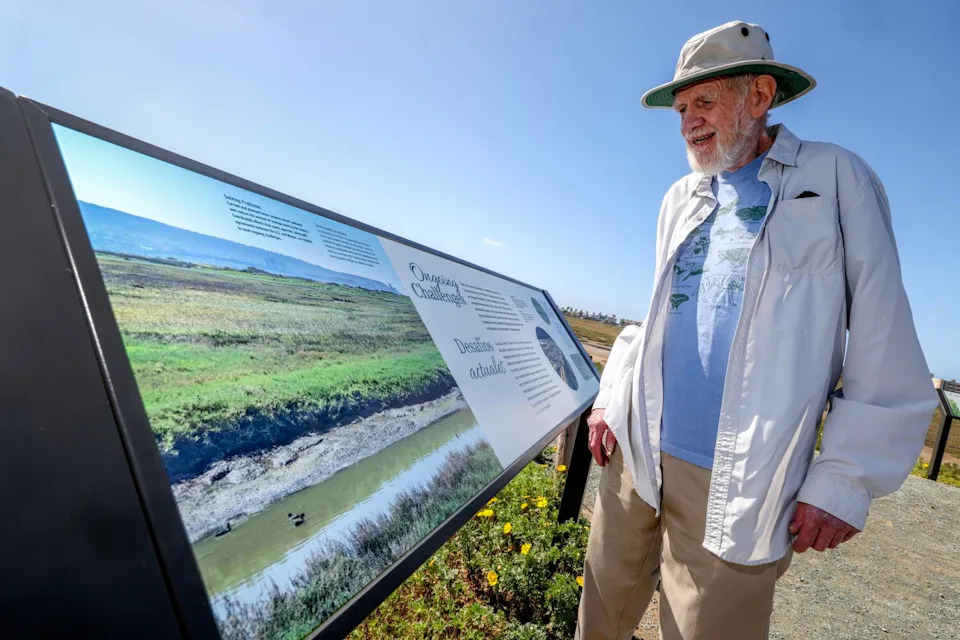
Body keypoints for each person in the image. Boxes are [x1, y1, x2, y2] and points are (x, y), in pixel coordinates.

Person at [575, 20, 937, 640]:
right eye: (682, 107)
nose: (689, 120)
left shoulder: (835, 179)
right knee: (599, 615)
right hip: (637, 450)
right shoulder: (680, 199)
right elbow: (659, 317)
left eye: (705, 100)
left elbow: (881, 329)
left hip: (740, 476)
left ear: (761, 96)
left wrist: (846, 477)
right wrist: (612, 398)